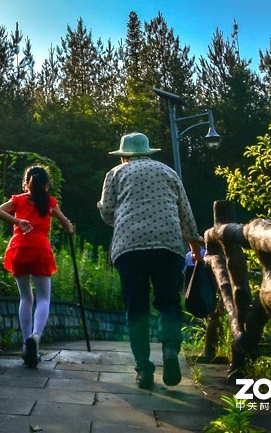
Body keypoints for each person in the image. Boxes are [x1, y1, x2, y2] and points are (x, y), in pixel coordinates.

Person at [97, 132, 204, 389]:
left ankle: (143, 370)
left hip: (129, 246)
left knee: (136, 307)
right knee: (168, 302)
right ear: (147, 152)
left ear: (124, 156)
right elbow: (185, 211)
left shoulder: (115, 174)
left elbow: (107, 211)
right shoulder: (168, 172)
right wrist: (194, 247)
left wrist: (117, 218)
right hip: (168, 244)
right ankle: (170, 350)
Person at [0, 164, 74, 368]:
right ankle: (36, 337)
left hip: (19, 247)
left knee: (25, 297)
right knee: (44, 298)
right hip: (40, 249)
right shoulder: (50, 202)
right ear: (47, 185)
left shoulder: (18, 200)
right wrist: (69, 227)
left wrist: (18, 221)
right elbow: (65, 223)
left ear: (26, 183)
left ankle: (25, 343)